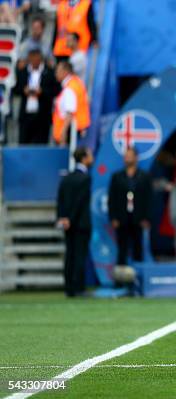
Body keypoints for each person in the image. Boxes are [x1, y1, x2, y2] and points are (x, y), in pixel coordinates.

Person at [56, 146, 94, 297]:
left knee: (69, 255)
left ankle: (68, 288)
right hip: (80, 224)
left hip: (67, 224)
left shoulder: (67, 177)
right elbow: (79, 202)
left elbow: (60, 200)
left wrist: (63, 218)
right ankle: (78, 288)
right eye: (90, 155)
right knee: (79, 256)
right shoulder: (85, 178)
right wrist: (71, 218)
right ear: (84, 158)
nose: (92, 157)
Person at [108, 147, 153, 266]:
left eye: (130, 155)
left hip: (138, 219)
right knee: (121, 250)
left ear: (136, 157)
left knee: (138, 249)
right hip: (121, 218)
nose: (127, 158)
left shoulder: (144, 176)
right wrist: (113, 218)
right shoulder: (117, 177)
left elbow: (149, 198)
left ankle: (138, 279)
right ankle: (120, 279)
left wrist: (147, 218)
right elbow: (112, 199)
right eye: (125, 155)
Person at [14, 48, 59, 144]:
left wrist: (42, 92)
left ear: (41, 59)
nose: (34, 61)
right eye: (32, 59)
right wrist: (24, 90)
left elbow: (56, 91)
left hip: (42, 117)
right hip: (26, 116)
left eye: (37, 59)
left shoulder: (49, 73)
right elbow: (15, 89)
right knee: (24, 143)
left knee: (41, 144)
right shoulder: (23, 72)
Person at [52, 61, 90, 145]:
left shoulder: (70, 88)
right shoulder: (77, 83)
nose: (56, 74)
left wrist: (63, 132)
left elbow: (70, 112)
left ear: (65, 72)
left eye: (58, 71)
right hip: (77, 128)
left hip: (71, 131)